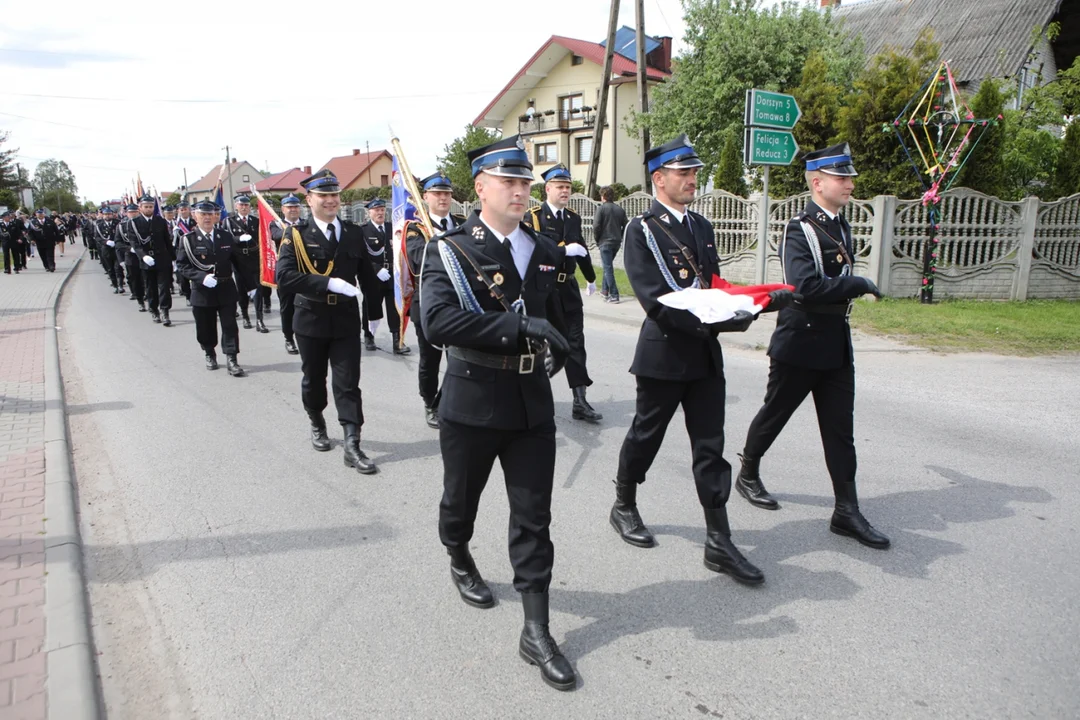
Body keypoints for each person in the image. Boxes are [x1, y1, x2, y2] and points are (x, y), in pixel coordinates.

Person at [422, 135, 584, 692]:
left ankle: (535, 630)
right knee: (460, 499)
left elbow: (559, 312)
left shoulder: (541, 249)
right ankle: (459, 554)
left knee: (533, 516)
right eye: (509, 182)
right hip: (471, 401)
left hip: (531, 403)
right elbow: (438, 323)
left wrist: (565, 349)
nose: (520, 191)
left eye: (525, 183)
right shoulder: (447, 249)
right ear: (481, 188)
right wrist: (520, 327)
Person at [609, 134, 791, 586]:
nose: (693, 179)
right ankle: (624, 503)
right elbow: (655, 301)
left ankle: (719, 541)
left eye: (694, 171)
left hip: (705, 357)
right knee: (646, 435)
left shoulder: (701, 228)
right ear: (659, 178)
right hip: (665, 355)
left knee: (710, 447)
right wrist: (716, 322)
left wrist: (750, 305)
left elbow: (713, 286)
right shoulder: (642, 230)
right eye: (684, 172)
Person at [735, 143, 889, 549]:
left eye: (849, 177)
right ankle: (748, 470)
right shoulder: (798, 229)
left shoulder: (840, 225)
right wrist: (855, 284)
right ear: (818, 183)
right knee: (776, 413)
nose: (850, 184)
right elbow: (803, 287)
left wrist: (847, 290)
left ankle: (846, 511)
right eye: (842, 177)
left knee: (841, 430)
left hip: (836, 340)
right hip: (801, 339)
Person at [275, 170, 382, 474]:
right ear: (309, 200)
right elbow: (283, 277)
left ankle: (352, 442)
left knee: (348, 383)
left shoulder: (352, 232)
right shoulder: (295, 235)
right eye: (324, 196)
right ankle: (316, 420)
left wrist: (375, 314)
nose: (331, 201)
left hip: (346, 319)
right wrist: (328, 284)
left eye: (334, 195)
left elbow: (366, 275)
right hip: (310, 319)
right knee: (314, 379)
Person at [529, 164, 601, 422]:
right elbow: (536, 247)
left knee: (575, 343)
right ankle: (533, 398)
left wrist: (591, 278)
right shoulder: (534, 216)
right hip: (545, 290)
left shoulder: (573, 217)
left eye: (568, 187)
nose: (565, 191)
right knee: (539, 345)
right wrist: (562, 248)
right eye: (560, 187)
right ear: (547, 189)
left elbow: (580, 249)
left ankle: (580, 401)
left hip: (568, 288)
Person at [404, 171, 464, 429]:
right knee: (430, 359)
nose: (443, 198)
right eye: (437, 193)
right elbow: (419, 258)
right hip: (429, 305)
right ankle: (430, 402)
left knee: (459, 358)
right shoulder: (415, 229)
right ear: (425, 196)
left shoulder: (463, 222)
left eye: (447, 193)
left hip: (460, 303)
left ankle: (448, 400)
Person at [175, 200, 246, 376]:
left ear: (215, 216)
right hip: (202, 291)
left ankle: (232, 358)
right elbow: (182, 266)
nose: (207, 218)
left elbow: (238, 262)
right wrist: (201, 277)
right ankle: (209, 352)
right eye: (202, 214)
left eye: (210, 214)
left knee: (230, 326)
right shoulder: (187, 239)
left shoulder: (226, 236)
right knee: (205, 326)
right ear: (195, 216)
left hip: (226, 288)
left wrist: (250, 284)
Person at [359, 198, 408, 354]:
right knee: (371, 305)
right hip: (373, 276)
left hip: (393, 274)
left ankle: (397, 339)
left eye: (382, 210)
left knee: (394, 307)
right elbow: (361, 255)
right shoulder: (363, 230)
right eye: (376, 210)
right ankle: (369, 335)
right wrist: (376, 269)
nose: (380, 213)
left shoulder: (392, 228)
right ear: (369, 212)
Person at [268, 193, 306, 355]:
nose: (293, 210)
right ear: (283, 209)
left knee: (306, 305)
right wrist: (292, 229)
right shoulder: (276, 224)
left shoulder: (306, 223)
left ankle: (304, 334)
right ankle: (289, 338)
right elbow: (277, 236)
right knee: (287, 307)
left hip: (305, 271)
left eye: (296, 207)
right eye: (289, 207)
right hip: (286, 272)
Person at [223, 194, 265, 332]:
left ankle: (260, 319)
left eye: (246, 205)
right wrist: (238, 238)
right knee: (242, 290)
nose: (244, 207)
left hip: (254, 258)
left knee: (258, 289)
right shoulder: (229, 221)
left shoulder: (256, 221)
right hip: (239, 260)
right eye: (241, 205)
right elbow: (225, 239)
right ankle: (246, 315)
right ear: (236, 206)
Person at [131, 195, 175, 326]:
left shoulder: (160, 221)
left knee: (164, 287)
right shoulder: (134, 223)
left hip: (162, 258)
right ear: (140, 207)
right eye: (146, 207)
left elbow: (167, 241)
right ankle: (154, 310)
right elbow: (134, 243)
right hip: (146, 260)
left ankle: (165, 311)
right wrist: (143, 256)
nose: (149, 209)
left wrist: (173, 259)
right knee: (151, 288)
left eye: (151, 206)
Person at [593, 186, 628, 303]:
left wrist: (597, 240)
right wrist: (620, 236)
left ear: (603, 197)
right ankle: (604, 290)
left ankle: (614, 295)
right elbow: (626, 226)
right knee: (607, 266)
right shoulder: (620, 210)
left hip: (605, 241)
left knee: (608, 268)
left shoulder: (601, 209)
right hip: (616, 242)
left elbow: (596, 227)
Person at [117, 204, 147, 309]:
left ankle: (148, 296)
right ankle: (140, 301)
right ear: (126, 213)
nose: (133, 214)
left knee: (147, 279)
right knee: (135, 280)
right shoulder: (121, 226)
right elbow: (118, 243)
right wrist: (130, 249)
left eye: (135, 212)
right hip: (131, 257)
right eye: (130, 212)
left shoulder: (144, 224)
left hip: (144, 256)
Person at [95, 207, 125, 293]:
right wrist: (106, 242)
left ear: (112, 214)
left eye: (109, 214)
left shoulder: (118, 223)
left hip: (117, 249)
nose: (107, 216)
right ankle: (115, 285)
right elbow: (97, 237)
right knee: (110, 268)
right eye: (105, 214)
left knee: (118, 267)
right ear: (103, 215)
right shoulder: (99, 225)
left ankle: (120, 285)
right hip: (106, 249)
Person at [174, 200, 196, 304]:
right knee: (183, 276)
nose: (183, 211)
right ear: (178, 211)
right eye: (181, 210)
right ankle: (188, 295)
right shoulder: (176, 224)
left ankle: (195, 294)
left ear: (189, 210)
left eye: (185, 209)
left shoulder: (195, 222)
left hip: (195, 252)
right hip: (182, 252)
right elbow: (172, 242)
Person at [1, 210, 20, 274]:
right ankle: (7, 269)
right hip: (5, 242)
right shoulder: (1, 225)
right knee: (6, 255)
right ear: (3, 218)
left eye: (9, 217)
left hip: (13, 241)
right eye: (7, 217)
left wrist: (19, 238)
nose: (9, 218)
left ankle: (16, 268)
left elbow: (18, 232)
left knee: (15, 255)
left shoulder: (13, 224)